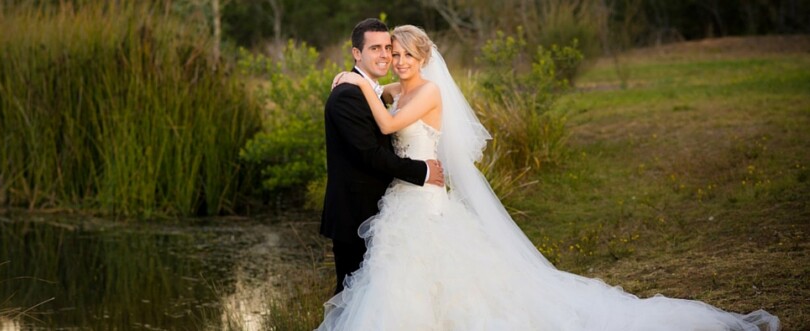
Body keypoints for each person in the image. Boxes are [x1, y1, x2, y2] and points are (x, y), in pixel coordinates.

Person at [316, 24, 780, 331]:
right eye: (390, 53)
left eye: (402, 54)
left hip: (423, 197)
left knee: (426, 269)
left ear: (423, 56)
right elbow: (389, 93)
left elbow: (388, 125)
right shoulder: (402, 87)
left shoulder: (428, 89)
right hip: (404, 198)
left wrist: (358, 82)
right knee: (405, 274)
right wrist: (365, 80)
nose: (396, 61)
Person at [320, 18, 445, 296]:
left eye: (390, 49)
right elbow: (370, 154)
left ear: (422, 57)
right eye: (377, 49)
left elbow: (383, 117)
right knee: (355, 295)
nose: (389, 57)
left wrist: (359, 81)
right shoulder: (349, 96)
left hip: (404, 201)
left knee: (404, 283)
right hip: (356, 212)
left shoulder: (395, 91)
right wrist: (422, 172)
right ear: (357, 53)